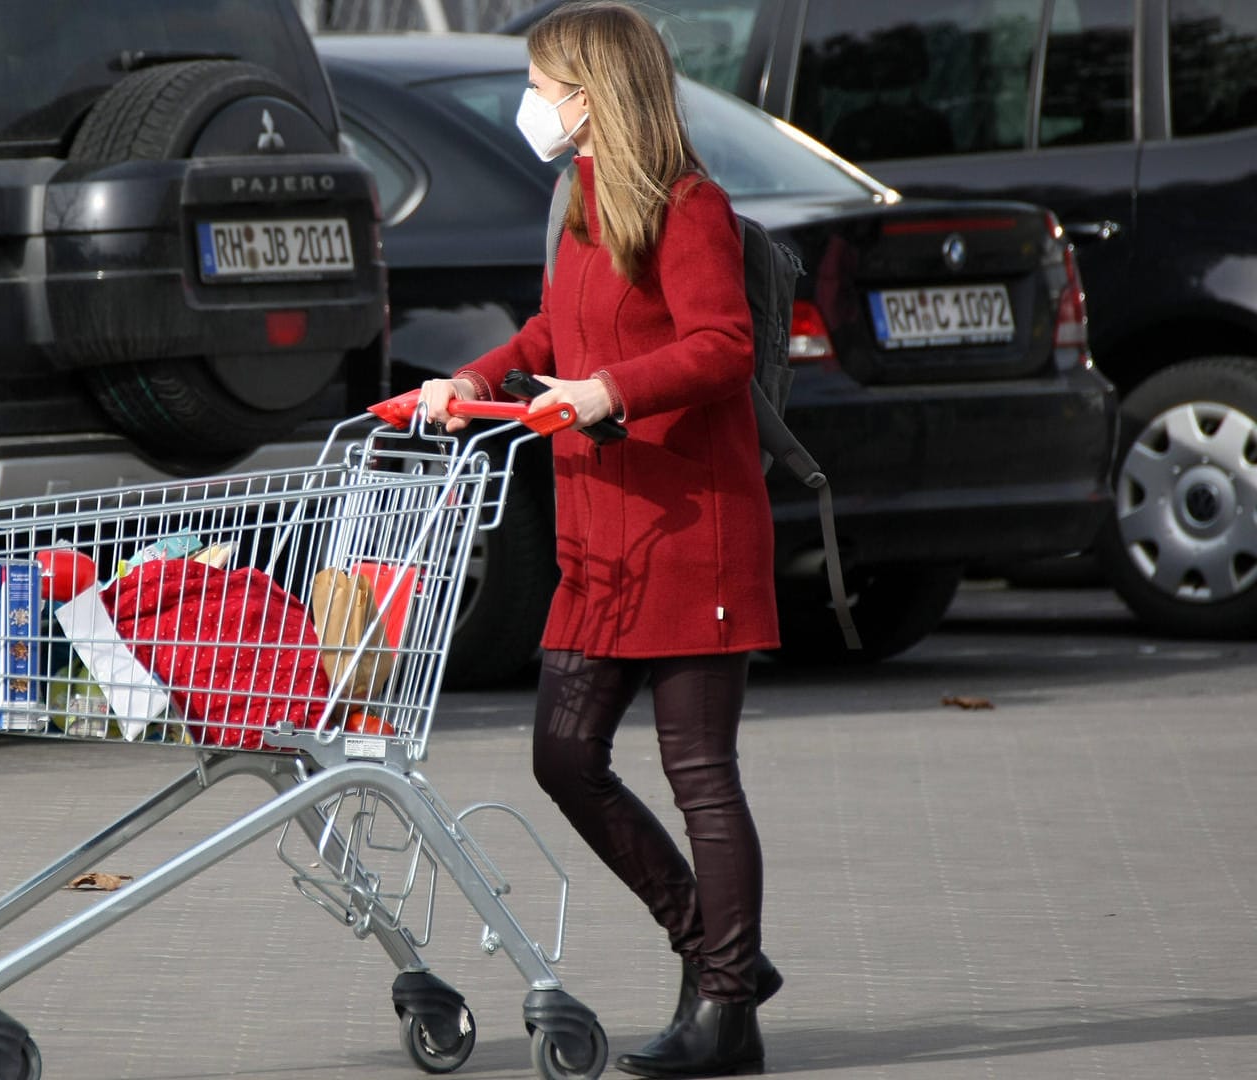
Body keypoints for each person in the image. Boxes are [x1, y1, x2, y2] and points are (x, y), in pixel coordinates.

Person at [420, 3, 781, 1076]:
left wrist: (607, 393)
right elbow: (557, 332)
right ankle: (718, 950)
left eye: (543, 82)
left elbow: (724, 343)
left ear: (592, 92)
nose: (531, 102)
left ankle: (728, 1011)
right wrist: (480, 376)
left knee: (699, 772)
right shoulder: (581, 198)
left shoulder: (690, 206)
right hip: (602, 539)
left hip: (690, 532)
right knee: (563, 756)